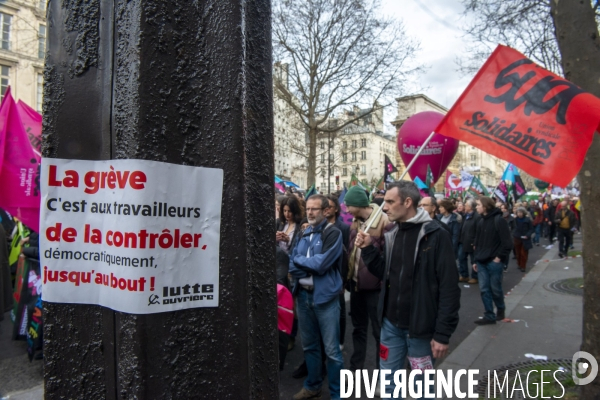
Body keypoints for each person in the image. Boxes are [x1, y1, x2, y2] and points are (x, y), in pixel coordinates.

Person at [355, 181, 460, 398]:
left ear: (408, 202)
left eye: (390, 202)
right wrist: (368, 250)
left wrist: (442, 334)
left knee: (422, 389)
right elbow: (385, 272)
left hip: (420, 330)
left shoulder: (436, 234)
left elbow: (449, 287)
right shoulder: (392, 232)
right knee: (389, 385)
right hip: (390, 325)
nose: (384, 207)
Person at [289, 194, 344, 400]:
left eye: (315, 209)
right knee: (310, 346)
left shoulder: (333, 232)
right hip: (303, 298)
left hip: (325, 299)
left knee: (332, 351)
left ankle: (337, 393)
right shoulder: (303, 233)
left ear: (325, 211)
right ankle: (312, 385)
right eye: (308, 209)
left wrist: (302, 262)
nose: (310, 213)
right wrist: (305, 265)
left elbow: (322, 264)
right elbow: (292, 263)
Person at [344, 186, 392, 373]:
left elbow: (386, 257)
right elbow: (351, 252)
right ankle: (356, 368)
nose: (346, 209)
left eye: (349, 205)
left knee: (379, 332)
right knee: (358, 329)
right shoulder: (354, 223)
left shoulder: (384, 222)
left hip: (375, 288)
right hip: (356, 286)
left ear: (358, 204)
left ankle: (383, 373)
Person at [472, 196, 513, 325]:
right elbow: (477, 243)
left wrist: (498, 258)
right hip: (481, 261)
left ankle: (500, 309)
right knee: (484, 289)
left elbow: (507, 243)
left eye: (478, 205)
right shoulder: (480, 221)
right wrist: (475, 260)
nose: (476, 207)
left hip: (494, 262)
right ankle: (489, 315)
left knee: (495, 289)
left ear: (485, 206)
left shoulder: (499, 220)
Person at [458, 199, 480, 283]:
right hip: (463, 241)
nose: (464, 207)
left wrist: (475, 241)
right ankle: (464, 275)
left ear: (470, 207)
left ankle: (475, 276)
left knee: (473, 260)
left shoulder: (477, 217)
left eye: (466, 205)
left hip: (472, 242)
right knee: (461, 258)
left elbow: (478, 230)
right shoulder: (465, 215)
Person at [512, 207, 534, 272]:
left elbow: (531, 229)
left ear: (523, 213)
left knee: (523, 253)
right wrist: (514, 234)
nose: (519, 214)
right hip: (517, 237)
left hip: (525, 238)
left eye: (521, 212)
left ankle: (523, 266)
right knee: (518, 253)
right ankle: (519, 264)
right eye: (518, 212)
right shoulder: (515, 220)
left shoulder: (527, 220)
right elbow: (513, 228)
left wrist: (527, 235)